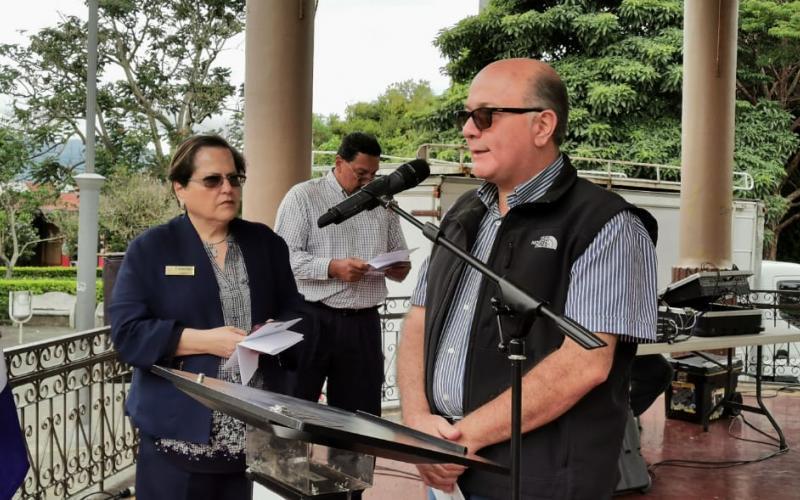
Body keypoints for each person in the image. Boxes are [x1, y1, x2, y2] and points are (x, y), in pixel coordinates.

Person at [396, 58, 659, 500]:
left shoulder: (606, 224)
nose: (468, 130)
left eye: (485, 116)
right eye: (466, 116)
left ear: (542, 125)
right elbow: (418, 321)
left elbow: (585, 363)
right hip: (445, 469)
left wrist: (460, 439)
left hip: (539, 481)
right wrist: (418, 421)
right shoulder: (465, 214)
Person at [110, 134, 304, 500]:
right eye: (213, 180)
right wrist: (206, 341)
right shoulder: (151, 249)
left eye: (235, 179)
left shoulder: (265, 243)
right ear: (180, 188)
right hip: (176, 435)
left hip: (248, 434)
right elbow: (127, 334)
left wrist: (272, 334)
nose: (227, 188)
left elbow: (296, 311)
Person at [274, 132, 411, 417]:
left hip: (363, 323)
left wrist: (400, 267)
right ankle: (290, 464)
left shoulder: (383, 202)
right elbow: (284, 259)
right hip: (311, 317)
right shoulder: (304, 196)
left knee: (361, 418)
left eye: (374, 174)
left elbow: (400, 254)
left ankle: (346, 464)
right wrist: (332, 267)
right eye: (361, 173)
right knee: (292, 409)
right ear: (339, 162)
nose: (368, 181)